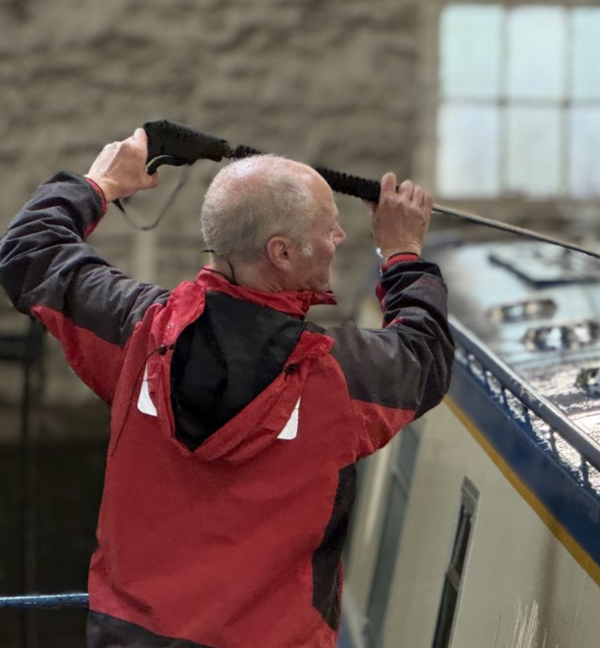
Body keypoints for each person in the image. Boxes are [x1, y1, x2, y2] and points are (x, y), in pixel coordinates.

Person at [0, 128, 454, 648]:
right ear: (281, 252)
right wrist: (402, 253)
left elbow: (30, 250)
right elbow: (425, 354)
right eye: (329, 228)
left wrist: (100, 183)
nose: (340, 238)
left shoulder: (136, 331)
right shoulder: (340, 376)